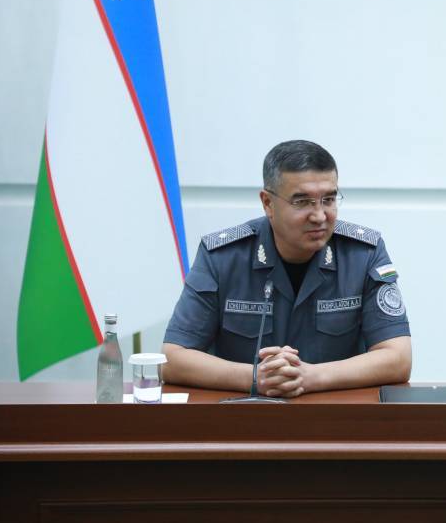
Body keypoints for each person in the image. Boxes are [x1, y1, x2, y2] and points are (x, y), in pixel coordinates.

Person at [163, 140, 411, 397]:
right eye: (302, 202)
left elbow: (398, 358)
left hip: (336, 416)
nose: (319, 216)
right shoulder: (222, 257)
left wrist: (310, 377)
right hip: (244, 416)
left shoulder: (364, 254)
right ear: (268, 203)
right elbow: (172, 358)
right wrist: (256, 377)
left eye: (328, 199)